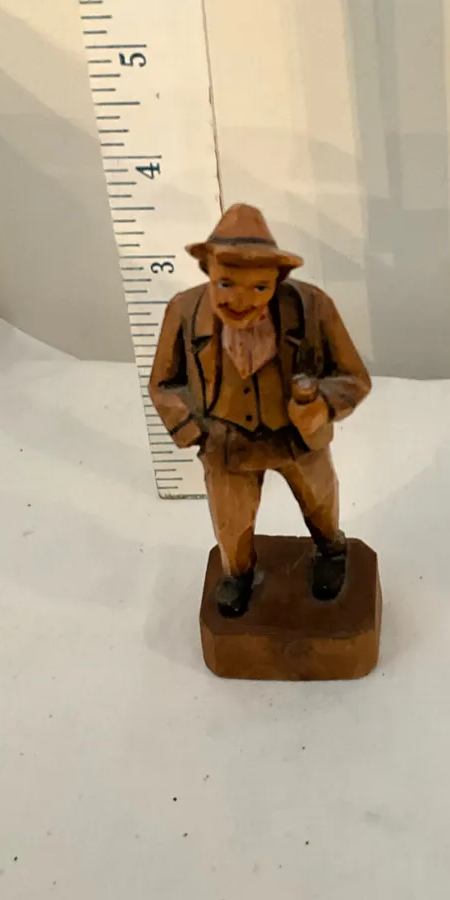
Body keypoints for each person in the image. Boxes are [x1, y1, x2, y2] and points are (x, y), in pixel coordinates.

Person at [149, 204, 371, 617]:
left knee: (320, 500)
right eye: (226, 283)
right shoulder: (183, 312)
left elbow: (354, 377)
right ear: (207, 270)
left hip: (296, 437)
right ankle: (238, 574)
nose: (240, 300)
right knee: (230, 520)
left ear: (278, 280)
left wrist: (321, 405)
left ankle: (331, 550)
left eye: (259, 287)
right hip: (226, 440)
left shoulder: (313, 307)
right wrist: (195, 431)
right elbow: (163, 384)